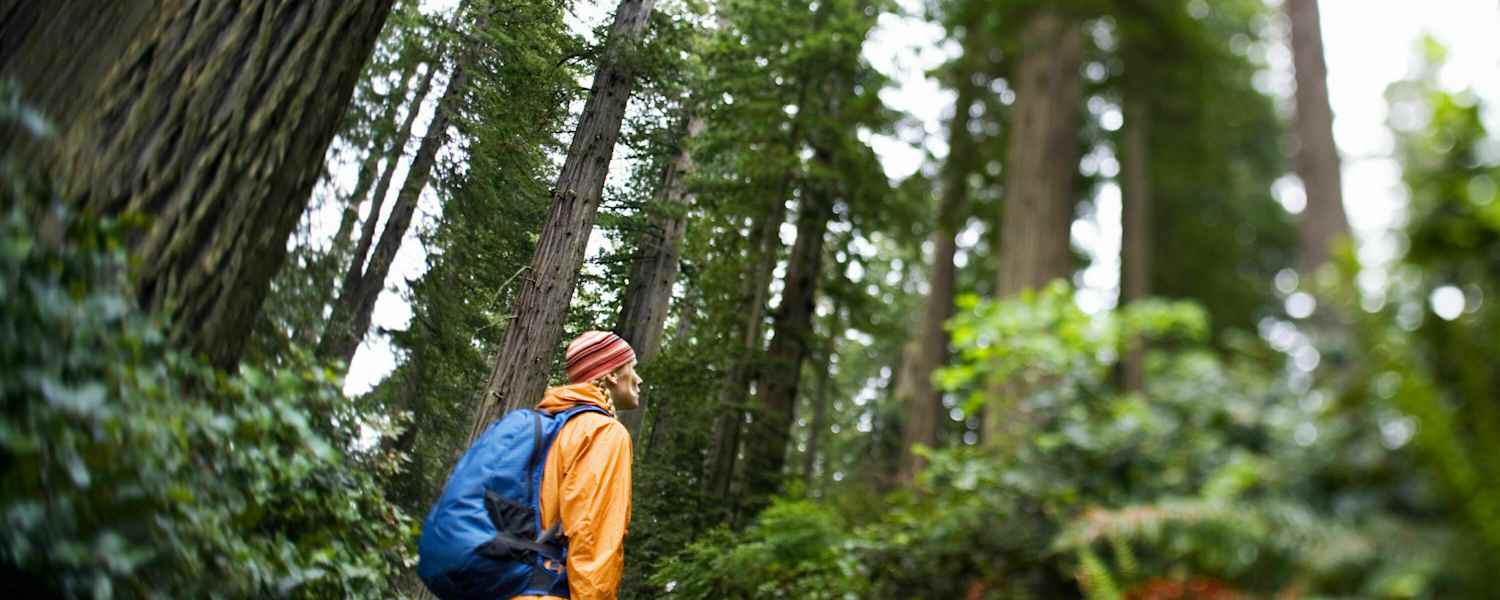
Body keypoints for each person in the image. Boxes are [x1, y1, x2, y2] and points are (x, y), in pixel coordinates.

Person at [515, 331, 641, 600]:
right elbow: (592, 539)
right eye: (633, 368)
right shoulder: (604, 433)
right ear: (611, 375)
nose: (638, 380)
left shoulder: (551, 425)